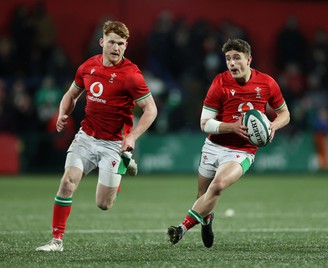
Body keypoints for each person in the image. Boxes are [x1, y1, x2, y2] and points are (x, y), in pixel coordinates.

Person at [36, 20, 158, 252]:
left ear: (126, 45)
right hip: (86, 137)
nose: (116, 47)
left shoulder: (131, 75)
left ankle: (124, 161)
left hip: (113, 144)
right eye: (111, 42)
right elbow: (71, 95)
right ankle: (56, 241)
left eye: (121, 44)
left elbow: (151, 110)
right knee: (66, 182)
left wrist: (132, 137)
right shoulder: (88, 67)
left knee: (104, 204)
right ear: (102, 42)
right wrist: (63, 113)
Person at [167, 38, 290, 247]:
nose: (232, 63)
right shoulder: (220, 83)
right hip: (214, 146)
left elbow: (285, 114)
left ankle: (181, 228)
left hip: (242, 152)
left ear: (249, 59)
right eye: (228, 59)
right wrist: (232, 126)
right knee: (202, 195)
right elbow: (204, 123)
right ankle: (206, 220)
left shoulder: (267, 83)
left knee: (218, 185)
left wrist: (273, 126)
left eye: (236, 58)